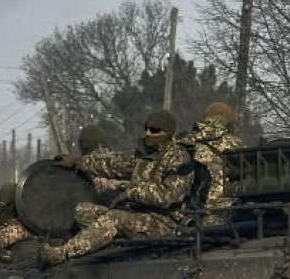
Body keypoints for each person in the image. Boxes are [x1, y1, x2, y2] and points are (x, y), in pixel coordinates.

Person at [41, 109, 192, 265]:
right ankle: (106, 242)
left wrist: (132, 193)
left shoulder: (178, 157)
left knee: (115, 218)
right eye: (146, 128)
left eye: (154, 130)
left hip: (165, 223)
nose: (148, 133)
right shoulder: (145, 156)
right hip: (139, 214)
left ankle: (61, 254)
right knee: (83, 211)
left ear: (167, 132)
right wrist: (76, 162)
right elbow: (111, 164)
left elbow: (169, 196)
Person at [176, 102, 243, 226]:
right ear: (229, 120)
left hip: (190, 213)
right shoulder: (235, 143)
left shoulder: (185, 141)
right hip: (224, 212)